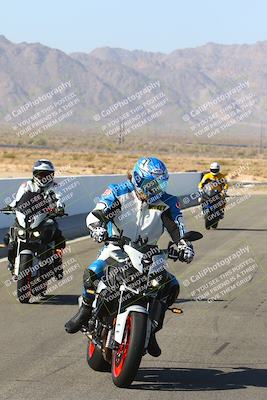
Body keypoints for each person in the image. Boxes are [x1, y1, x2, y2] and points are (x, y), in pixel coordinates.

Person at [65, 157, 195, 357]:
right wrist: (96, 227)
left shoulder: (167, 202)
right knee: (92, 273)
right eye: (151, 183)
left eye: (159, 184)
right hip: (116, 248)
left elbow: (177, 227)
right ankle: (85, 311)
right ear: (137, 178)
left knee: (170, 286)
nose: (155, 188)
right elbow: (98, 212)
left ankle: (150, 331)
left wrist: (184, 245)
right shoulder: (118, 192)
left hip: (149, 255)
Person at [4, 159, 66, 279]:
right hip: (26, 218)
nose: (43, 177)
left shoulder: (54, 186)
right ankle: (12, 263)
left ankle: (57, 265)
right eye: (40, 174)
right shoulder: (27, 185)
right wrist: (10, 207)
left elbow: (59, 198)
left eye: (47, 175)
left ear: (52, 175)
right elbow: (17, 199)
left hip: (45, 217)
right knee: (10, 236)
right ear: (34, 174)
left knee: (58, 237)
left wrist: (59, 208)